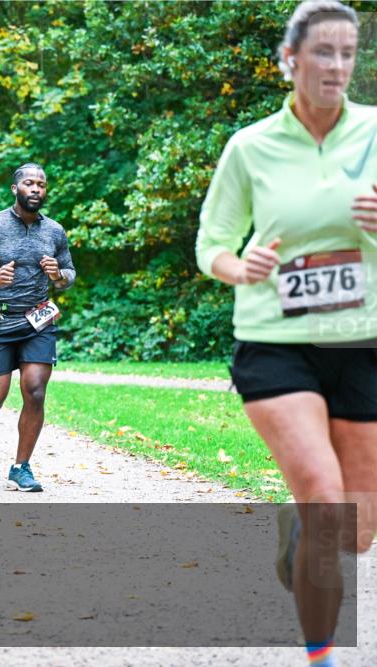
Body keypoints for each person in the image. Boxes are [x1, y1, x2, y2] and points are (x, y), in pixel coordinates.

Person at [195, 3, 375, 665]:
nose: (337, 66)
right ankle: (321, 655)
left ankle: (298, 530)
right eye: (323, 52)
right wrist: (239, 266)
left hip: (364, 343)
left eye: (348, 53)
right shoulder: (251, 147)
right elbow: (211, 244)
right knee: (328, 505)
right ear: (289, 60)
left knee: (355, 532)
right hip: (275, 340)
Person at [0, 163, 76, 492]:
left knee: (35, 391)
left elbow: (69, 274)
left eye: (41, 185)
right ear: (15, 189)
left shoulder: (55, 231)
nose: (36, 189)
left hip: (38, 320)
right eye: (29, 183)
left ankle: (21, 467)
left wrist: (58, 275)